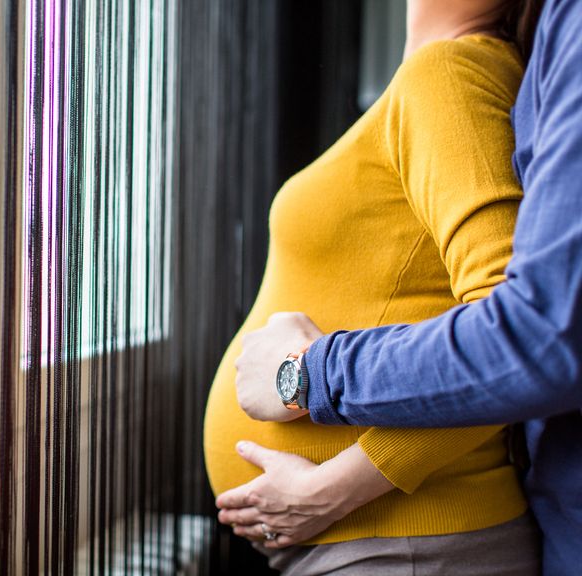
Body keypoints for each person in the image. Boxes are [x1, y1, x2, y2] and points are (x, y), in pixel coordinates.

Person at [219, 0, 582, 574]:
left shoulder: (450, 75)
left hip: (406, 539)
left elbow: (510, 345)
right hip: (389, 541)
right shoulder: (438, 79)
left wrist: (334, 487)